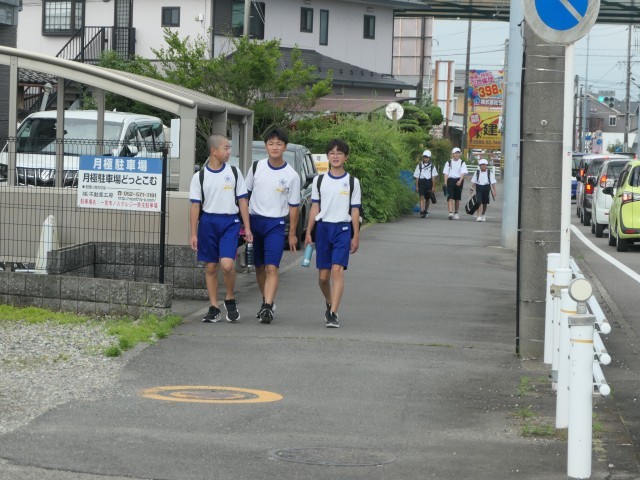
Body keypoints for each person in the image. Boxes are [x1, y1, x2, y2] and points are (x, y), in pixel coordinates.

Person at [189, 134, 253, 323]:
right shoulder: (199, 177)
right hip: (207, 222)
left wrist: (247, 227)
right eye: (225, 148)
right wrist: (193, 233)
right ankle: (214, 306)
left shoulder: (234, 172)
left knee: (227, 265)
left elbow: (243, 201)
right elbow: (195, 206)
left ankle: (230, 298)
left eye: (229, 147)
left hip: (230, 222)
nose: (229, 151)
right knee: (210, 266)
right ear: (213, 151)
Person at [245, 128, 301, 324]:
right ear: (266, 146)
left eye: (279, 144)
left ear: (285, 147)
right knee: (259, 266)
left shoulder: (291, 175)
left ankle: (268, 306)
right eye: (271, 143)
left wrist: (292, 233)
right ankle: (265, 301)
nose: (274, 147)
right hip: (255, 221)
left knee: (272, 267)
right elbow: (244, 196)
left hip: (276, 224)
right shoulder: (256, 167)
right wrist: (245, 225)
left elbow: (294, 207)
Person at [305, 138, 361, 328]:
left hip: (343, 229)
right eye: (332, 153)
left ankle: (334, 314)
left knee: (337, 271)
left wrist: (356, 235)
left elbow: (355, 210)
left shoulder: (352, 182)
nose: (335, 156)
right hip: (323, 228)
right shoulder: (319, 180)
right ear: (327, 156)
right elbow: (315, 207)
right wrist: (309, 231)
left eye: (339, 153)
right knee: (323, 277)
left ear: (346, 157)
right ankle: (329, 302)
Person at [442, 147, 469, 220]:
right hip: (450, 180)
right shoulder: (448, 162)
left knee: (457, 198)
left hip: (458, 180)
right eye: (455, 153)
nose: (457, 154)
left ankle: (456, 212)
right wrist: (445, 182)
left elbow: (463, 172)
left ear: (460, 154)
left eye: (458, 153)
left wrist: (460, 180)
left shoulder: (462, 162)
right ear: (453, 154)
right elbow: (446, 173)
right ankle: (450, 212)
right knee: (450, 197)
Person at [413, 150, 438, 218]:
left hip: (429, 182)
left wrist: (433, 187)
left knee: (427, 198)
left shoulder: (432, 166)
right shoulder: (419, 165)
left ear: (429, 158)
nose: (425, 158)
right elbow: (417, 177)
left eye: (427, 157)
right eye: (424, 157)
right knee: (421, 196)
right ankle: (422, 211)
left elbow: (433, 177)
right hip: (421, 182)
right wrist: (417, 186)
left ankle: (425, 210)